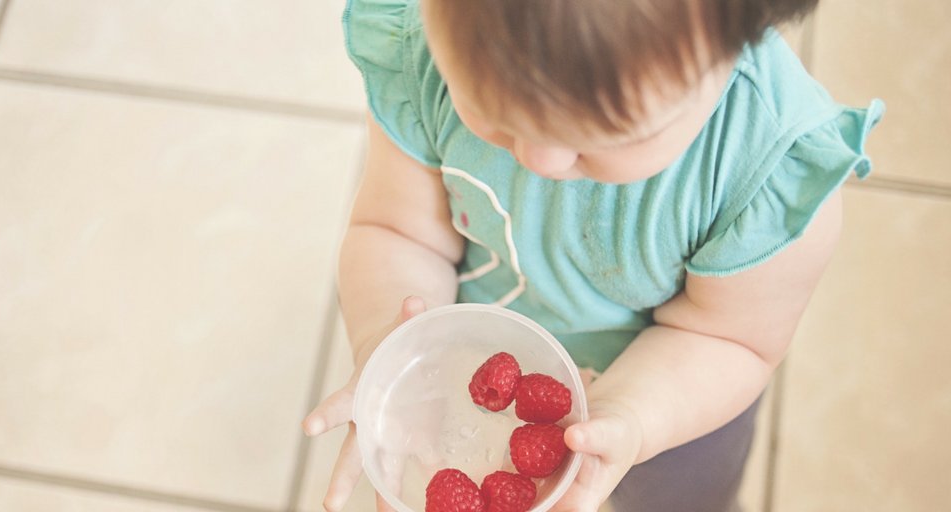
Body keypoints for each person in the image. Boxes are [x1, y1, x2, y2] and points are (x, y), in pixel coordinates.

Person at [303, 0, 884, 510]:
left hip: (674, 400)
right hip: (481, 359)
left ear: (736, 46)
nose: (542, 160)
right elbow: (399, 230)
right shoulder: (427, 51)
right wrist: (388, 342)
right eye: (494, 111)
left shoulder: (766, 171)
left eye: (608, 137)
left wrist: (632, 416)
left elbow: (730, 338)